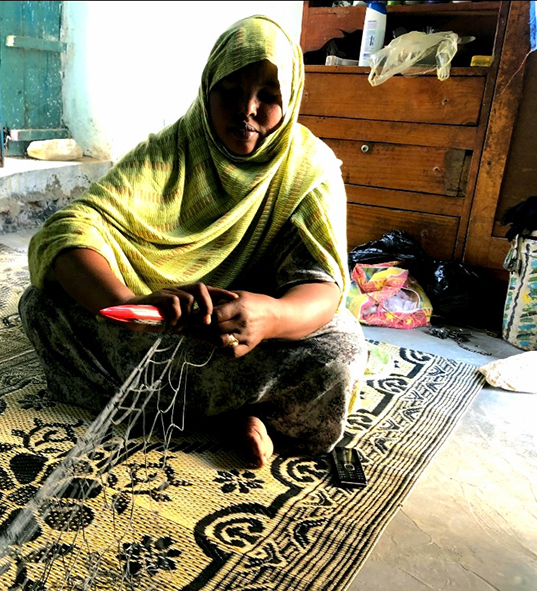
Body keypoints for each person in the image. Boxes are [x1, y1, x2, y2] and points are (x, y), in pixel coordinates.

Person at [19, 15, 368, 468]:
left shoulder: (308, 171)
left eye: (268, 96)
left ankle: (172, 409)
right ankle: (239, 415)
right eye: (230, 91)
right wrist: (133, 307)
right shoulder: (171, 151)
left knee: (339, 352)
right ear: (207, 91)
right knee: (44, 304)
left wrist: (270, 316)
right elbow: (70, 230)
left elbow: (322, 286)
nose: (248, 109)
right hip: (159, 323)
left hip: (248, 338)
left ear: (291, 101)